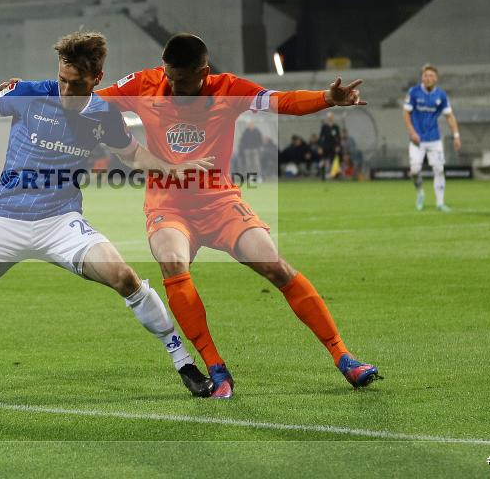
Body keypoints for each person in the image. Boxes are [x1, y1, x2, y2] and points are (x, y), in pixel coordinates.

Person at [0, 32, 215, 397]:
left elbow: (133, 155)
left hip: (60, 222)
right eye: (62, 80)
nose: (66, 91)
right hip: (3, 219)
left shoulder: (104, 114)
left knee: (125, 277)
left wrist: (171, 167)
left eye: (76, 84)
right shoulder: (27, 94)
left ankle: (182, 360)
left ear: (97, 79)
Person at [92, 34, 380, 398]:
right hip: (168, 204)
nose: (172, 87)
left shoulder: (228, 89)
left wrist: (326, 99)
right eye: (169, 77)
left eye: (181, 81)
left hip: (220, 203)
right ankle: (216, 368)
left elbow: (281, 101)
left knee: (275, 266)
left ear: (204, 72)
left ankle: (344, 357)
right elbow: (89, 102)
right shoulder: (147, 82)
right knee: (172, 261)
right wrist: (28, 96)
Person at [403, 64, 461, 212]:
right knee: (415, 171)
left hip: (434, 139)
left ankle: (440, 203)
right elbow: (406, 114)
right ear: (422, 77)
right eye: (425, 76)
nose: (428, 78)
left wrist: (456, 135)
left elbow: (449, 116)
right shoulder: (414, 92)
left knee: (439, 169)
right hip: (417, 140)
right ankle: (420, 193)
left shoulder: (441, 95)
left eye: (431, 76)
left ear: (436, 78)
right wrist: (412, 132)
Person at [318, 112, 341, 180]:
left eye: (331, 116)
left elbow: (338, 138)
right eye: (329, 117)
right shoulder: (324, 127)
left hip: (333, 147)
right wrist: (320, 147)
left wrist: (337, 146)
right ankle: (323, 176)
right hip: (325, 146)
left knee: (334, 161)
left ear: (333, 117)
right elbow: (321, 137)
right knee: (323, 161)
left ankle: (335, 176)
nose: (330, 118)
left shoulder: (336, 127)